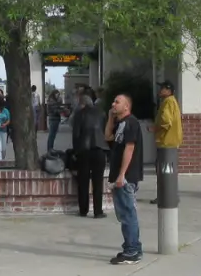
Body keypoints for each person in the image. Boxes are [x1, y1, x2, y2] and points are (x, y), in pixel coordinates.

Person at [106, 93, 144, 264]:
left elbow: (129, 148)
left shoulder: (131, 122)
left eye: (117, 102)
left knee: (128, 214)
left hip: (126, 177)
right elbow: (108, 137)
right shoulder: (120, 123)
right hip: (120, 177)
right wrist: (110, 117)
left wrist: (122, 175)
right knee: (124, 214)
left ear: (126, 106)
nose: (113, 104)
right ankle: (133, 247)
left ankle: (132, 251)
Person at [71, 92, 107, 218]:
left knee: (83, 181)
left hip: (84, 150)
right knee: (98, 182)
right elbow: (105, 131)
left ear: (82, 104)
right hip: (99, 149)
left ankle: (83, 210)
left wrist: (75, 152)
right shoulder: (102, 113)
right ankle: (98, 211)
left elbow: (76, 135)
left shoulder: (79, 114)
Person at [149, 81, 183, 205]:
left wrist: (154, 128)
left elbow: (166, 122)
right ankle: (172, 195)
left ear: (168, 90)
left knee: (163, 170)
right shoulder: (173, 101)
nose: (160, 90)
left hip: (166, 142)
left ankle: (164, 196)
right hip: (172, 142)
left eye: (162, 88)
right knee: (169, 170)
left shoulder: (167, 102)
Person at [45, 89, 64, 154]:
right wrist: (63, 110)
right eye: (57, 94)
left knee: (52, 135)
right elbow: (55, 110)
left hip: (54, 119)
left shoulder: (53, 100)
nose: (58, 96)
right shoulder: (52, 101)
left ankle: (50, 148)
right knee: (52, 135)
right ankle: (50, 149)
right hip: (54, 119)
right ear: (54, 94)